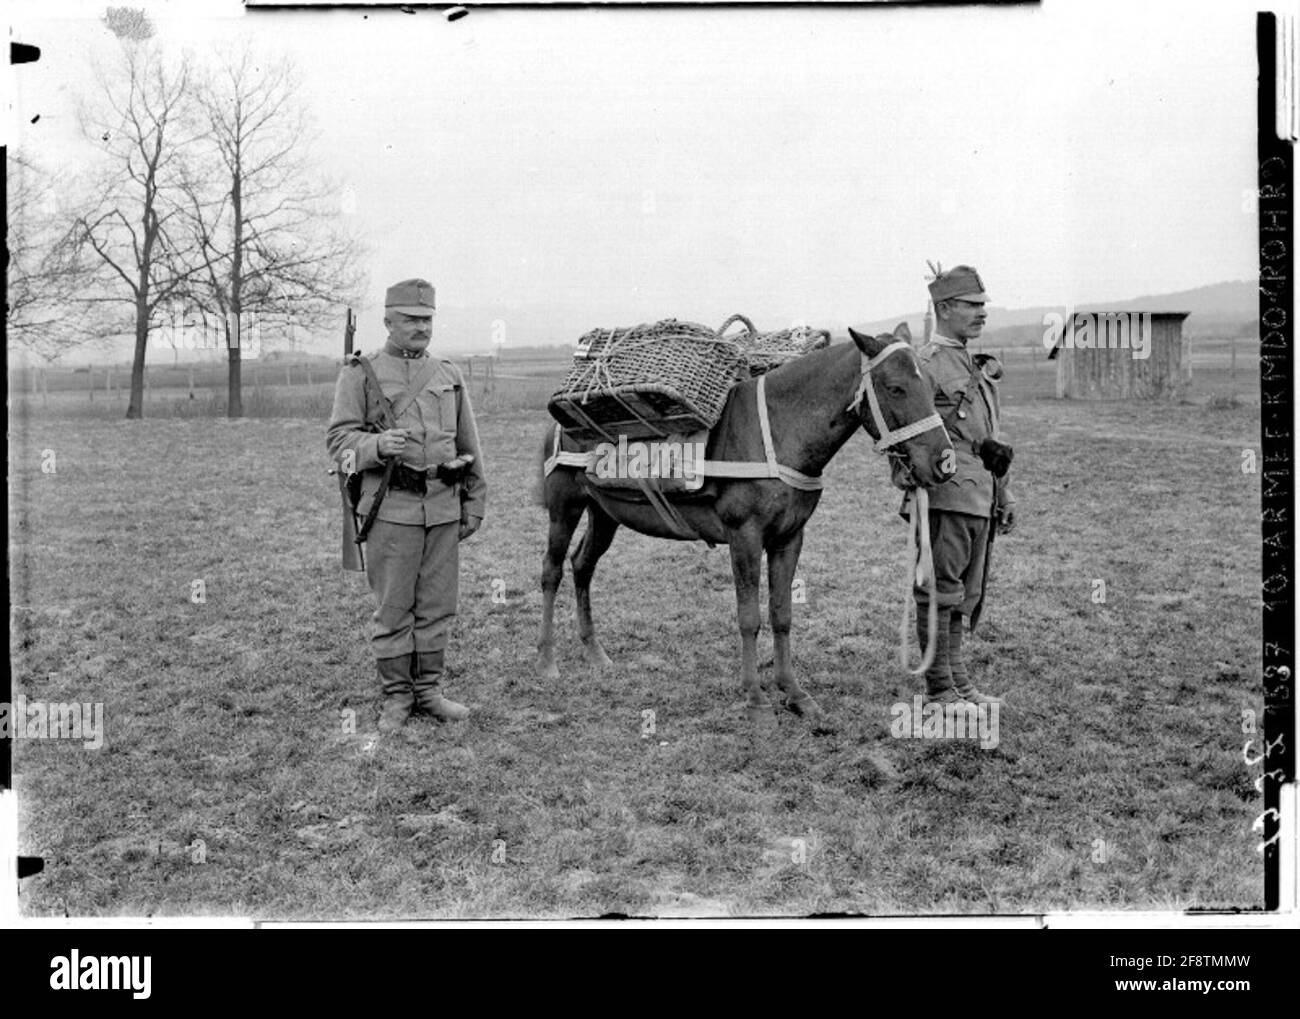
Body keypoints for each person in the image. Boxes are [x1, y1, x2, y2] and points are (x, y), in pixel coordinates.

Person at [326, 278, 487, 732]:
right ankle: (397, 696)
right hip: (390, 508)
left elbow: (469, 443)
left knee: (438, 605)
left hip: (442, 506)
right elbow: (337, 445)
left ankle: (430, 692)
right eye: (411, 319)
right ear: (388, 322)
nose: (421, 327)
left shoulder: (448, 374)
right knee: (395, 607)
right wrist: (376, 445)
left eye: (427, 319)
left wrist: (475, 501)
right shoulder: (360, 374)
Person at [912, 264, 1015, 705]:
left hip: (981, 493)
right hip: (946, 494)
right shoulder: (925, 364)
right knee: (940, 590)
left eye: (983, 306)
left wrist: (1005, 491)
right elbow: (911, 435)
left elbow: (986, 432)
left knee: (965, 593)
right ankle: (939, 690)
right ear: (945, 308)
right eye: (973, 306)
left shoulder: (969, 362)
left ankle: (960, 684)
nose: (982, 314)